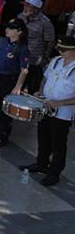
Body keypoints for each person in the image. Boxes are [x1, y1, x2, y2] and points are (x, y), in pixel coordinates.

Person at [21, 36, 75, 187]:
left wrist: (60, 102)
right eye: (60, 48)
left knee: (58, 143)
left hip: (63, 113)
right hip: (45, 105)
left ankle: (54, 173)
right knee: (43, 135)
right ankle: (41, 163)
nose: (60, 51)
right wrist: (40, 90)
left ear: (73, 51)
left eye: (64, 49)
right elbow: (46, 77)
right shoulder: (56, 61)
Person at [0, 19, 31, 148]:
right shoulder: (4, 41)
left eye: (11, 28)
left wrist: (18, 86)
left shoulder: (22, 48)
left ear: (19, 31)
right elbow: (1, 53)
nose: (7, 29)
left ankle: (2, 136)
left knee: (6, 110)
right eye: (7, 27)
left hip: (9, 80)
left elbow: (24, 70)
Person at [20, 0, 56, 94]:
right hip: (19, 56)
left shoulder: (45, 23)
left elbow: (50, 41)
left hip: (34, 59)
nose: (25, 8)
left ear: (37, 9)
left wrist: (45, 56)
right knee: (17, 82)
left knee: (33, 85)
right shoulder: (21, 17)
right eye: (25, 5)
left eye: (29, 6)